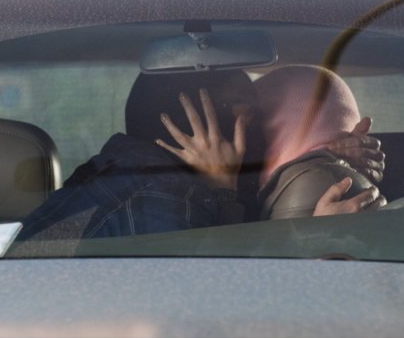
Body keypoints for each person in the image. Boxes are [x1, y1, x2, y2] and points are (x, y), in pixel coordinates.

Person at [18, 70, 258, 240]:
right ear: (192, 117)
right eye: (240, 108)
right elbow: (214, 287)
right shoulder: (165, 197)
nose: (253, 122)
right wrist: (223, 188)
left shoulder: (115, 169)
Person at [161, 65, 386, 220]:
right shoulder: (335, 175)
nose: (245, 117)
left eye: (254, 112)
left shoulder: (307, 183)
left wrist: (223, 191)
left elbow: (237, 268)